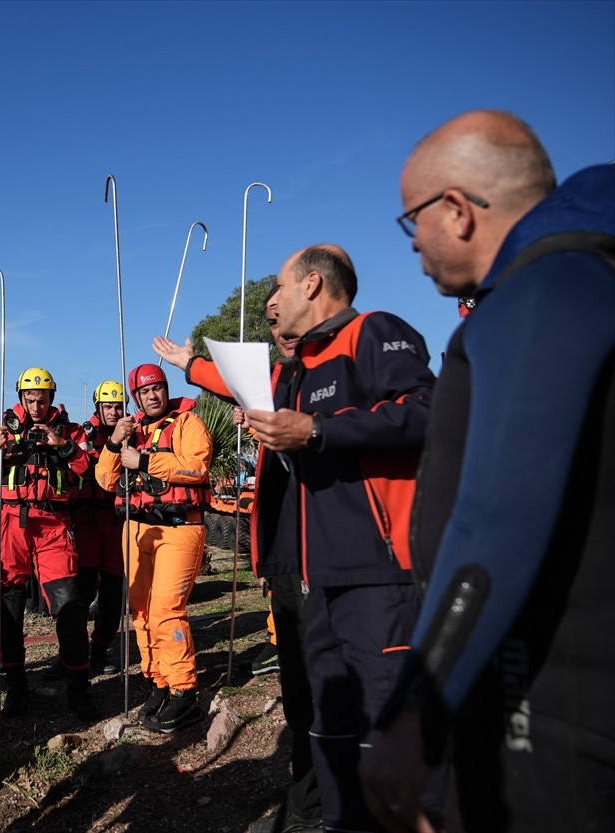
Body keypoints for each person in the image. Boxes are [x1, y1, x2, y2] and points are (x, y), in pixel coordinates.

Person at [362, 111, 615, 833]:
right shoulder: (592, 274)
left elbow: (499, 514)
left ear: (457, 210)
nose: (413, 248)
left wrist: (417, 709)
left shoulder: (544, 291)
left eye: (412, 221)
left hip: (549, 702)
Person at [238, 244, 435, 832]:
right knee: (330, 727)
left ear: (313, 285)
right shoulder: (299, 370)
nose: (270, 300)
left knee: (389, 729)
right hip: (317, 580)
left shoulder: (373, 332)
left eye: (278, 285)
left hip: (381, 574)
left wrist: (318, 430)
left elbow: (427, 410)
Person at [155, 286, 322, 831]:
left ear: (317, 294)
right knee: (301, 699)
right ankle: (306, 806)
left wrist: (312, 431)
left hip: (326, 563)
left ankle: (329, 806)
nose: (274, 326)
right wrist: (192, 364)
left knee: (333, 694)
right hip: (281, 557)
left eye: (281, 315)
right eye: (270, 321)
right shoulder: (284, 383)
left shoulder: (348, 370)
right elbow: (244, 385)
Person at [0, 366, 97, 720]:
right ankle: (16, 687)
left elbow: (92, 472)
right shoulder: (2, 429)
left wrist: (64, 445)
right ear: (21, 397)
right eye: (30, 398)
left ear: (51, 399)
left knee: (69, 606)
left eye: (42, 399)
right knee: (9, 609)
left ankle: (79, 690)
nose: (37, 405)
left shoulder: (69, 431)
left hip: (54, 524)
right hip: (10, 524)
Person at [94, 363, 213, 734]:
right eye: (145, 392)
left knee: (165, 608)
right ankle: (158, 679)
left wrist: (144, 460)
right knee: (141, 611)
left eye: (158, 388)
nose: (153, 395)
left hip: (179, 528)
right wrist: (115, 442)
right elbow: (104, 479)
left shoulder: (187, 423)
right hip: (138, 528)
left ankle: (184, 689)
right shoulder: (131, 431)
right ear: (137, 397)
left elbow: (197, 468)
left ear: (166, 389)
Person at [45, 379, 128, 678]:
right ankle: (69, 653)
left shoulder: (134, 433)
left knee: (111, 594)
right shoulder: (84, 433)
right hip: (87, 522)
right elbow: (82, 466)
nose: (114, 411)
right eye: (108, 406)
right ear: (98, 407)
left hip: (118, 521)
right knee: (78, 593)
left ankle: (100, 650)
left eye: (119, 405)